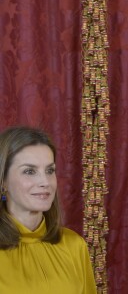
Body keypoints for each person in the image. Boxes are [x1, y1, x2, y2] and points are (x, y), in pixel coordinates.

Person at [0, 126, 97, 294]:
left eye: (50, 170)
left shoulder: (74, 244)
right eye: (29, 171)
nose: (45, 181)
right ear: (3, 182)